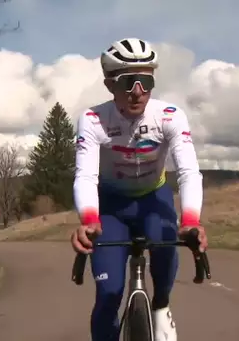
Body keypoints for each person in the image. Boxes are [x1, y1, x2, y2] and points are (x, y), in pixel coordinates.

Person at [70, 37, 208, 341]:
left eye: (145, 81)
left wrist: (191, 221)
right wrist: (89, 219)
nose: (137, 91)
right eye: (128, 81)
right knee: (109, 294)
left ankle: (161, 305)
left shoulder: (170, 116)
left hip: (153, 200)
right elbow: (85, 175)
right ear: (109, 84)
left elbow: (188, 172)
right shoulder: (93, 120)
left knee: (165, 250)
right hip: (110, 206)